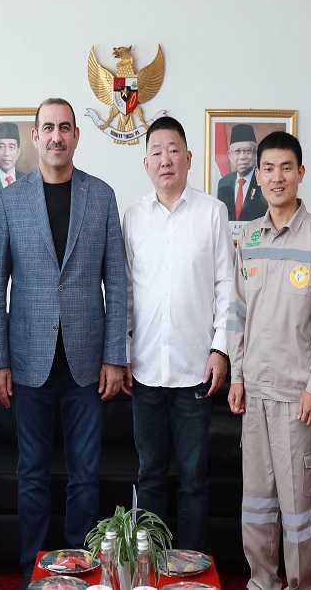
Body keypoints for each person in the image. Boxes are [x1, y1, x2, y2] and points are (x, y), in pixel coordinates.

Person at [0, 98, 126, 585]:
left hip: (87, 363)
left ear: (76, 136)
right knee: (32, 474)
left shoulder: (101, 196)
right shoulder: (11, 201)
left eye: (65, 127)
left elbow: (117, 283)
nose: (57, 136)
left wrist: (115, 356)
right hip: (28, 362)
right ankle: (34, 572)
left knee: (85, 476)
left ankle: (80, 573)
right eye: (48, 127)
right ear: (35, 136)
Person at [226, 131, 311, 590]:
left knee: (297, 511)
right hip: (255, 393)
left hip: (298, 399)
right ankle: (261, 582)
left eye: (286, 168)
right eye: (269, 168)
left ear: (300, 173)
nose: (277, 177)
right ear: (258, 176)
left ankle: (301, 586)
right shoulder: (248, 236)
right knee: (256, 504)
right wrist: (237, 377)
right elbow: (238, 313)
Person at [122, 115, 233, 550]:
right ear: (145, 164)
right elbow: (124, 291)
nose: (165, 160)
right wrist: (122, 351)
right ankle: (149, 568)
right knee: (149, 475)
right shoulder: (133, 217)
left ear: (188, 158)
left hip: (195, 371)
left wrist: (220, 349)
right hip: (145, 369)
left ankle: (191, 570)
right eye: (156, 152)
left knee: (193, 479)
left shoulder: (212, 212)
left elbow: (227, 287)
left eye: (173, 151)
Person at [217, 123, 267, 222]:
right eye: (237, 151)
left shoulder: (264, 180)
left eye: (247, 151)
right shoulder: (223, 183)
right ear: (230, 155)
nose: (242, 157)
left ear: (256, 154)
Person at [0, 122, 26, 210]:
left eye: (12, 147)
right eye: (1, 147)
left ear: (18, 152)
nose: (7, 153)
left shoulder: (27, 181)